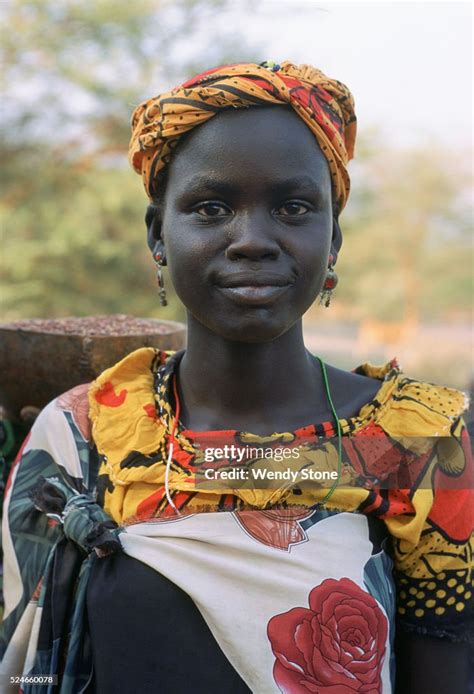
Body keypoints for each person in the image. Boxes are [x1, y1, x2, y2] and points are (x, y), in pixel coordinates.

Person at [1, 61, 472, 694]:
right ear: (157, 236)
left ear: (332, 238)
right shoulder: (87, 433)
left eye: (293, 207)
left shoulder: (422, 443)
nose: (251, 239)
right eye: (212, 207)